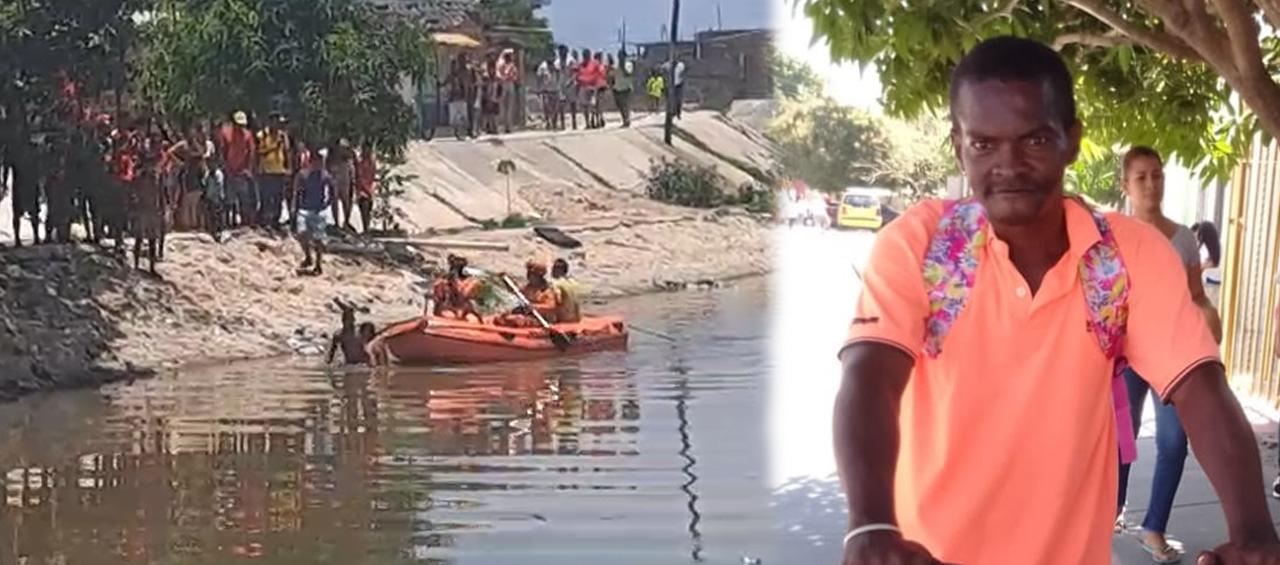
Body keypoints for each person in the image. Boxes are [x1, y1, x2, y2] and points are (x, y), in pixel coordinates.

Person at [834, 36, 1279, 565]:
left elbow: (1199, 386)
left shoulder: (1127, 255)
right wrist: (871, 526)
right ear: (958, 146)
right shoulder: (922, 245)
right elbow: (870, 376)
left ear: (1072, 141)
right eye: (984, 144)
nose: (1009, 165)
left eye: (1035, 141)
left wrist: (1254, 531)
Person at [1115, 145, 1224, 563]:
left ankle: (1154, 527)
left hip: (1172, 357)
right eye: (1141, 177)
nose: (1151, 184)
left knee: (1175, 442)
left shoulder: (1182, 239)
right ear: (1125, 185)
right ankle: (1111, 510)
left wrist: (1209, 317)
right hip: (1124, 358)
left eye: (1157, 175)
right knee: (1121, 441)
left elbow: (1196, 297)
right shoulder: (1112, 237)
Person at [293, 150, 332, 276]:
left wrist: (327, 203)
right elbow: (296, 192)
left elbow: (332, 190)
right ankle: (308, 256)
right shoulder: (303, 175)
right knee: (301, 233)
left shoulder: (325, 175)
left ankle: (318, 264)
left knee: (318, 239)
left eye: (320, 162)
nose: (318, 165)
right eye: (316, 162)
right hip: (304, 209)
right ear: (311, 162)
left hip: (319, 210)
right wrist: (294, 207)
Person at [216, 110, 256, 227]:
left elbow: (251, 153)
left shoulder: (247, 135)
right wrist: (225, 167)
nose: (240, 127)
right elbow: (223, 151)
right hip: (229, 170)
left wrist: (248, 169)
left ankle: (245, 223)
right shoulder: (226, 133)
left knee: (244, 198)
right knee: (229, 199)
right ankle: (228, 222)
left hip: (242, 172)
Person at [494, 261, 559, 328]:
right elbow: (516, 291)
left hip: (541, 319)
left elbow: (552, 307)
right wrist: (506, 281)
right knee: (502, 317)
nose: (528, 275)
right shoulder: (528, 287)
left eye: (531, 273)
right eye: (528, 273)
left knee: (517, 319)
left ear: (539, 276)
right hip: (528, 314)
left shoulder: (546, 290)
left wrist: (535, 307)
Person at [256, 114, 292, 230]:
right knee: (266, 198)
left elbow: (287, 152)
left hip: (279, 171)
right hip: (266, 171)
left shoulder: (282, 136)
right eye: (275, 122)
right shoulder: (262, 135)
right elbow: (260, 152)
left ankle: (276, 221)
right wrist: (274, 147)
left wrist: (288, 168)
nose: (277, 125)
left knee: (278, 198)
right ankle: (265, 221)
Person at [429, 254, 484, 321]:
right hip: (447, 308)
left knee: (473, 319)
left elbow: (470, 296)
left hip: (465, 310)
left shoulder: (472, 281)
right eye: (456, 266)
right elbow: (438, 298)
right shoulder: (443, 282)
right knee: (450, 316)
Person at [327, 299, 373, 365]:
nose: (349, 322)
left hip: (364, 363)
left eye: (351, 319)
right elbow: (331, 353)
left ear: (354, 320)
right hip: (350, 364)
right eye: (347, 319)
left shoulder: (360, 330)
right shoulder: (338, 335)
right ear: (343, 320)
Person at [327, 138, 355, 232]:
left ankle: (346, 222)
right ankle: (337, 223)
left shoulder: (347, 154)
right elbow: (327, 166)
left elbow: (351, 163)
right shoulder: (331, 154)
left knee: (346, 200)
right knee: (335, 201)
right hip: (336, 178)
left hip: (344, 178)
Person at [549, 258, 581, 324]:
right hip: (575, 319)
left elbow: (558, 300)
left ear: (558, 270)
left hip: (564, 319)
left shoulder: (556, 283)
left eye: (553, 268)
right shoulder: (573, 282)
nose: (551, 271)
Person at [355, 143, 377, 234]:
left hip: (369, 189)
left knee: (367, 210)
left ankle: (366, 229)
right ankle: (365, 229)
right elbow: (359, 177)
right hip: (363, 190)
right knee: (364, 209)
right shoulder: (360, 163)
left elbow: (372, 176)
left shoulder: (371, 163)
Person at [497, 48, 520, 134]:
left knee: (510, 106)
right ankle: (502, 126)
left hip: (510, 83)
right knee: (502, 106)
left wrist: (513, 78)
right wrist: (503, 78)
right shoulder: (501, 63)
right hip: (503, 84)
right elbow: (499, 74)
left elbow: (515, 75)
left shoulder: (512, 65)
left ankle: (508, 126)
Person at [612, 50, 635, 128]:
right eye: (619, 56)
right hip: (617, 87)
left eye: (621, 56)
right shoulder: (616, 65)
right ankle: (624, 119)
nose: (620, 57)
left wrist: (622, 66)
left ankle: (627, 120)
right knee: (620, 105)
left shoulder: (628, 64)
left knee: (625, 104)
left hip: (626, 87)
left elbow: (628, 74)